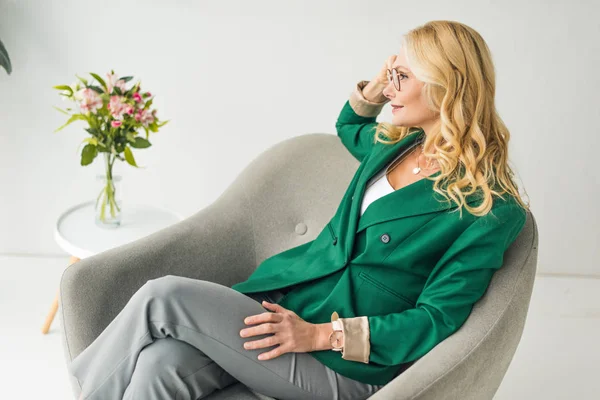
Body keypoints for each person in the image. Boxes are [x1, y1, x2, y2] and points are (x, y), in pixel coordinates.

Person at [68, 20, 530, 400]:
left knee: (162, 295)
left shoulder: (489, 207)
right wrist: (378, 84)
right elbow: (350, 123)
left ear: (447, 88)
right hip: (294, 306)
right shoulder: (397, 145)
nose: (390, 87)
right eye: (392, 73)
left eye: (402, 77)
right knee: (159, 364)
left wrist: (319, 336)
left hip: (348, 362)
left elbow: (437, 318)